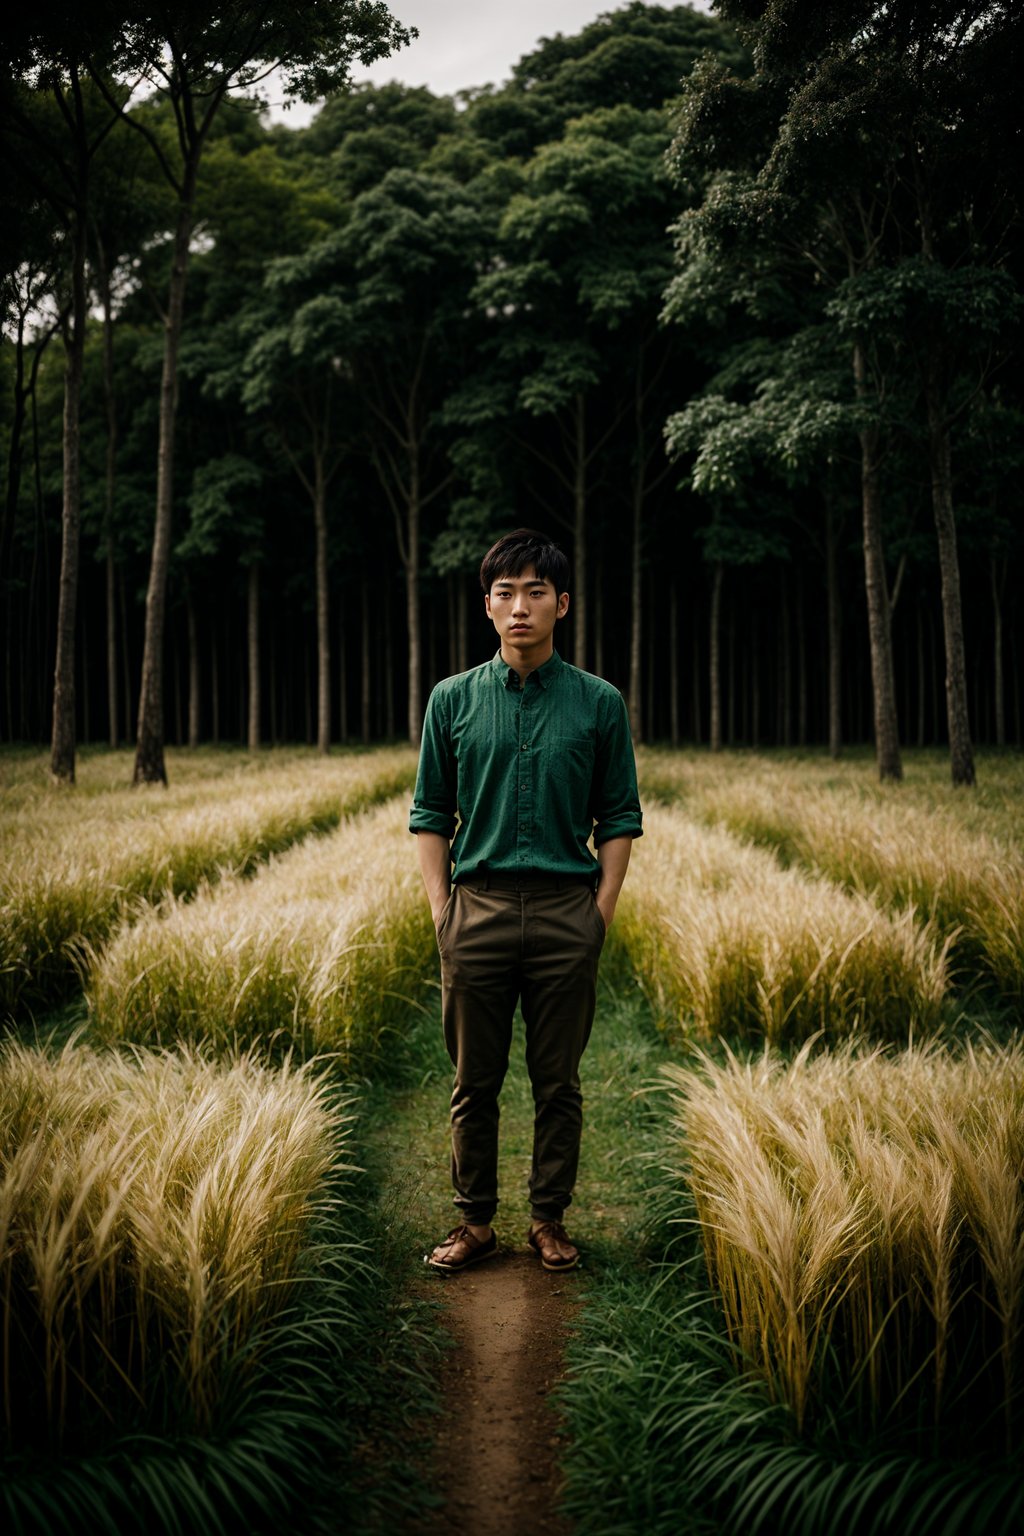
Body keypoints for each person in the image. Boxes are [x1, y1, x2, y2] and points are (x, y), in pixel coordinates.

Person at [409, 528, 642, 1273]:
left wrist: (596, 917)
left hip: (564, 913)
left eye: (536, 591)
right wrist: (443, 912)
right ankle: (475, 1222)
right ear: (487, 606)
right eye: (506, 592)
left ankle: (549, 1219)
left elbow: (620, 817)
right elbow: (429, 814)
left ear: (561, 604)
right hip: (474, 909)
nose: (520, 606)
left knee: (558, 1083)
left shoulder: (599, 704)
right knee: (472, 1083)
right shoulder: (450, 702)